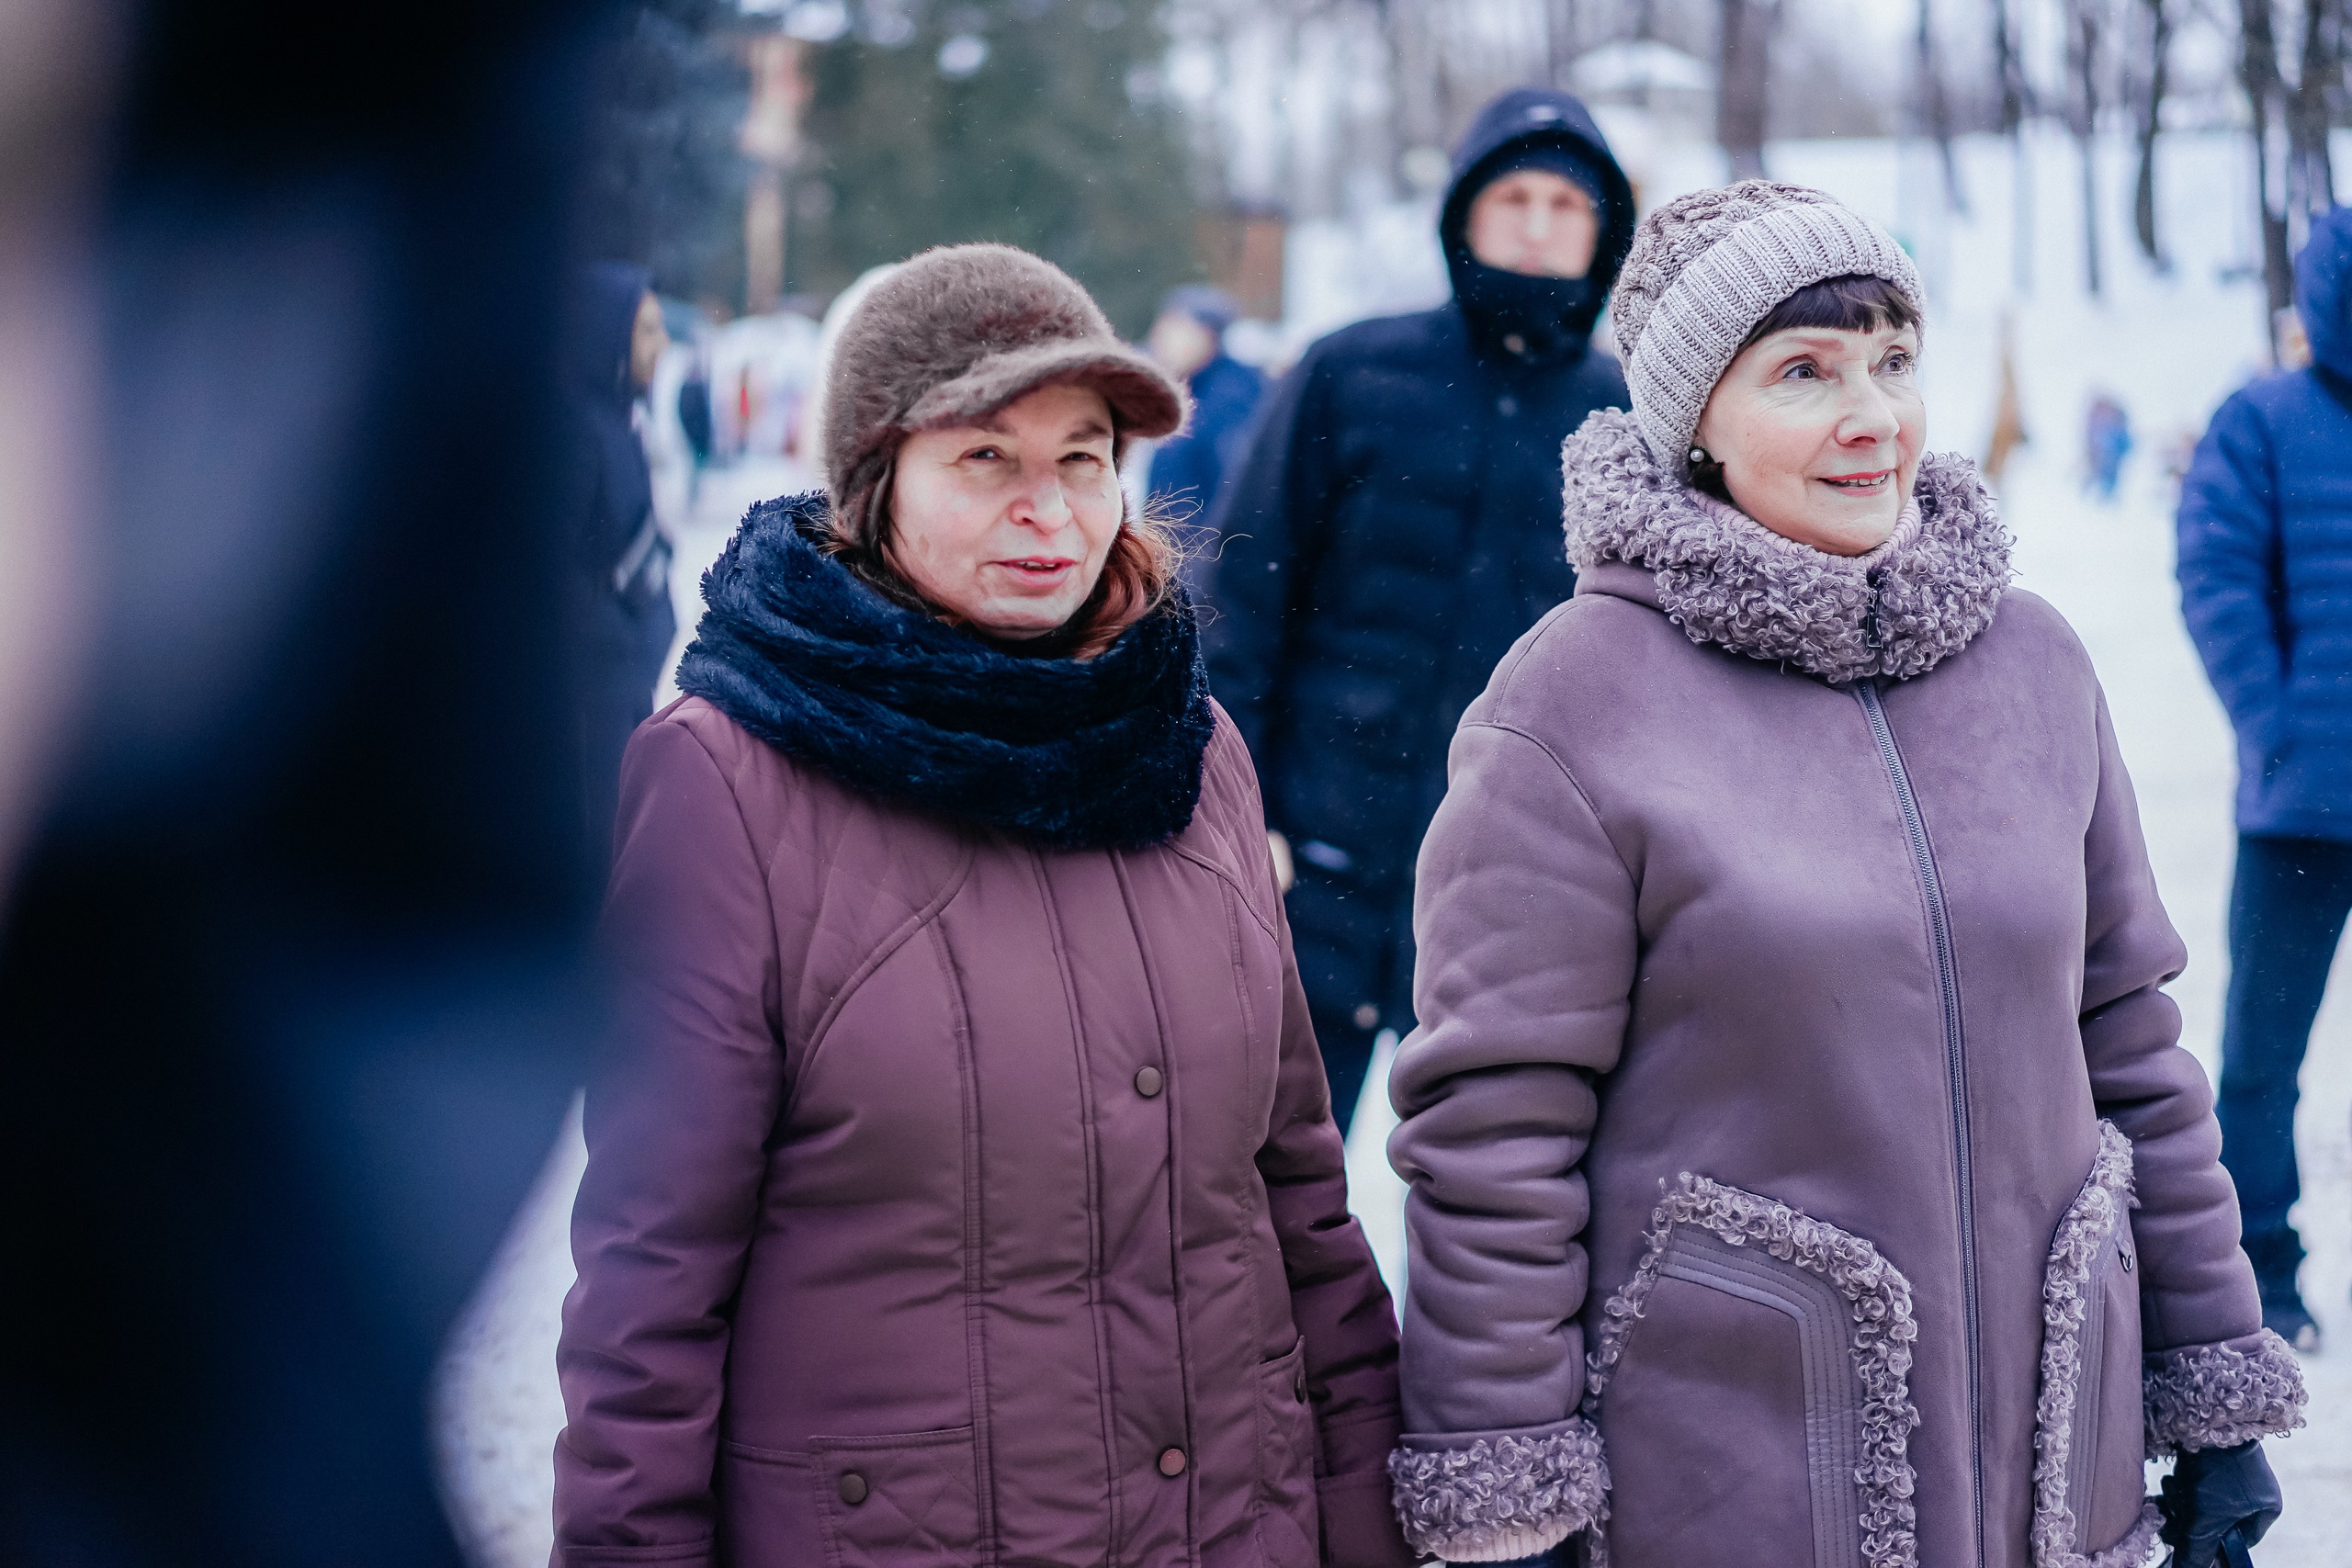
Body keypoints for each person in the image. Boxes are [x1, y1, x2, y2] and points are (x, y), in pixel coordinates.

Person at [1384, 184, 2302, 1568]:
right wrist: (1511, 1490)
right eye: (1804, 372)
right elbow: (1496, 1128)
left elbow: (2130, 1044)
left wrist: (2213, 1381)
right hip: (1735, 1479)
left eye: (1890, 358)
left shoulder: (2034, 664)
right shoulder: (1573, 701)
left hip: (2056, 1477)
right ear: (1695, 418)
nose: (1872, 412)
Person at [552, 244, 1412, 1568]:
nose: (1052, 511)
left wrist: (1366, 1514)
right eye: (985, 459)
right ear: (872, 484)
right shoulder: (726, 780)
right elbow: (651, 1290)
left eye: (1081, 457)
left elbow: (1294, 1188)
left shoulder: (1194, 749)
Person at [1201, 87, 1636, 1131]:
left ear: (1602, 232)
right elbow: (1238, 604)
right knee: (1256, 1196)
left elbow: (1646, 669)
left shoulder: (1628, 419)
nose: (1537, 225)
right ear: (1463, 216)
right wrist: (1237, 811)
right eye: (1514, 197)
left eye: (1566, 206)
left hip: (1517, 897)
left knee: (1496, 1214)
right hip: (1312, 872)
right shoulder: (1348, 373)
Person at [2177, 203, 2352, 1352]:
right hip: (2302, 806)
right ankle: (2262, 1274)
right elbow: (2216, 577)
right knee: (2261, 1056)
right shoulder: (2263, 419)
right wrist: (2279, 728)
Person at [564, 262, 677, 855]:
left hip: (623, 676)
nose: (662, 347)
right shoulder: (576, 431)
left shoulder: (618, 421)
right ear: (608, 333)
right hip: (591, 697)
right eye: (648, 330)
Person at [1143, 284, 1265, 530]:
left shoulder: (1232, 399)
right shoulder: (1190, 393)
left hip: (1207, 557)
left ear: (1206, 335)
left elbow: (1236, 496)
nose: (1159, 337)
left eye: (1176, 326)